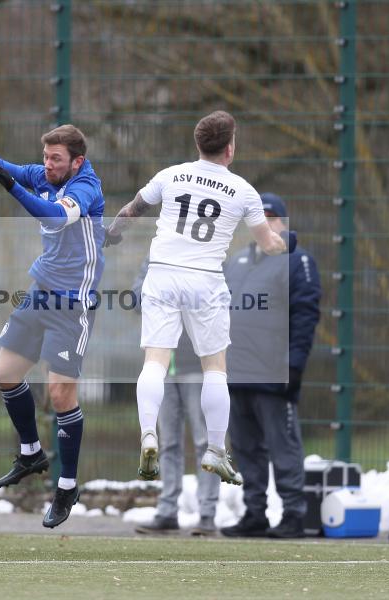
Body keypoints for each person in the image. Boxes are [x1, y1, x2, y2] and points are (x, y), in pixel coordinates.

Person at [104, 110, 290, 486]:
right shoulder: (243, 191)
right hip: (205, 281)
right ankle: (215, 450)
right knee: (215, 369)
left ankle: (148, 434)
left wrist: (113, 233)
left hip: (162, 273)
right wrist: (283, 244)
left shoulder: (170, 175)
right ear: (230, 148)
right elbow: (268, 245)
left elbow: (131, 211)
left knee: (155, 362)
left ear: (198, 144)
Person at [0, 124, 105, 528]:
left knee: (61, 394)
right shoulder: (44, 174)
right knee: (5, 373)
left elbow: (51, 216)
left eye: (56, 159)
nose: (47, 165)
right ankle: (31, 453)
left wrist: (13, 187)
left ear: (77, 161)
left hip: (73, 304)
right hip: (41, 291)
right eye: (45, 157)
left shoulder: (85, 189)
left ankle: (66, 486)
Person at [221, 193, 321, 539]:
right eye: (255, 217)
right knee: (246, 448)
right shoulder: (235, 262)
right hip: (236, 373)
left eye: (268, 217)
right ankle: (255, 513)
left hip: (274, 374)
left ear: (281, 221)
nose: (261, 224)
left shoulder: (298, 261)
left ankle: (294, 514)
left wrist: (294, 366)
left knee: (283, 446)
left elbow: (305, 316)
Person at [131, 260, 219, 536]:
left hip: (197, 367)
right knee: (167, 443)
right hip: (162, 369)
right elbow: (136, 298)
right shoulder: (154, 259)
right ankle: (167, 511)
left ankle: (207, 514)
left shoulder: (206, 258)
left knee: (205, 441)